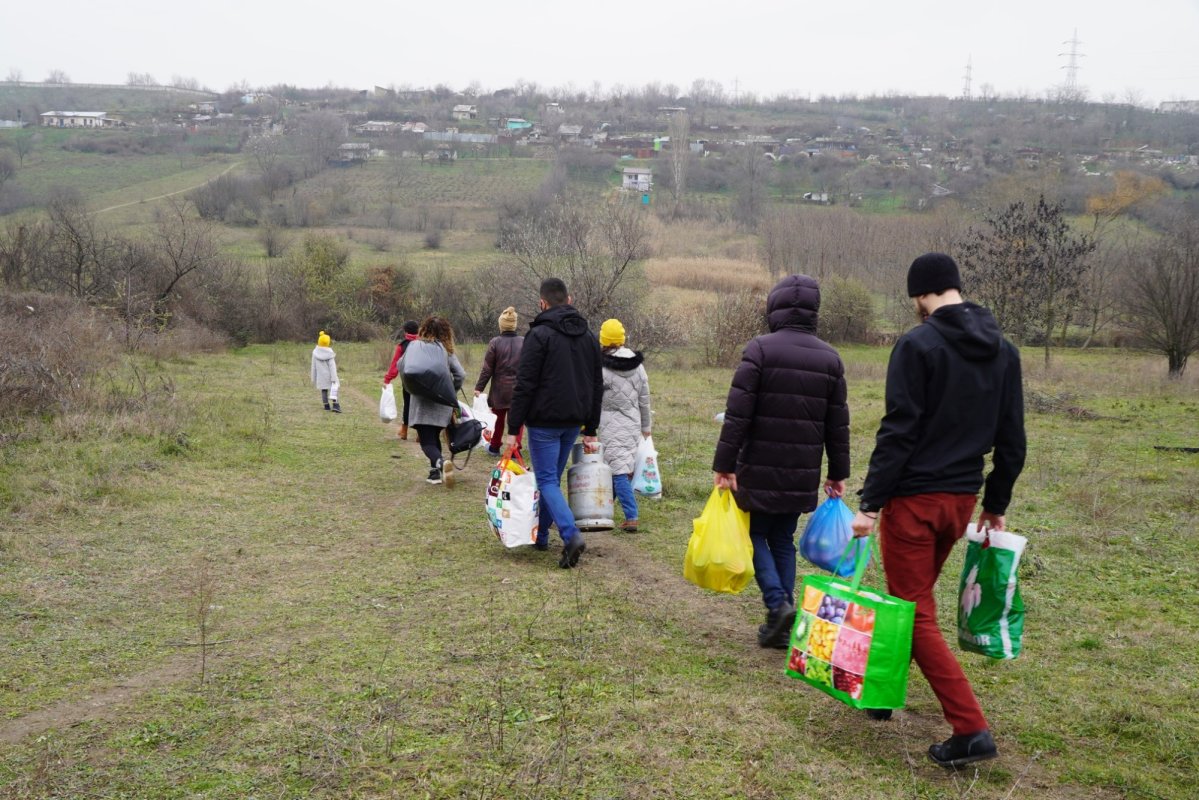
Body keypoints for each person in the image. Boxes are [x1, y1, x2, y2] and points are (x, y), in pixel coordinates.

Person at [850, 252, 1026, 769]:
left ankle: (970, 729)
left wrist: (870, 504)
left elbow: (898, 431)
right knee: (911, 598)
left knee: (914, 609)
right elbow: (1012, 439)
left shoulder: (917, 344)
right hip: (960, 501)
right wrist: (995, 503)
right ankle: (882, 690)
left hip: (914, 501)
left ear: (920, 294)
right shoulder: (1005, 350)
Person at [712, 275, 850, 649]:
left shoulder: (759, 349)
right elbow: (838, 424)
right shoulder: (830, 358)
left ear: (774, 308)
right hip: (802, 470)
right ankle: (783, 620)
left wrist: (725, 464)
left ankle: (777, 604)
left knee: (755, 534)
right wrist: (838, 472)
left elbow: (737, 415)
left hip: (757, 466)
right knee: (782, 539)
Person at [504, 278, 603, 569]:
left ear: (542, 303)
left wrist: (513, 429)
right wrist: (591, 428)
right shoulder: (588, 336)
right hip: (573, 420)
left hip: (544, 422)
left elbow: (524, 384)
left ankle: (571, 535)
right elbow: (597, 384)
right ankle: (541, 536)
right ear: (569, 300)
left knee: (547, 480)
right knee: (551, 481)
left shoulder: (538, 335)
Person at [598, 318, 651, 532]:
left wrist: (587, 424)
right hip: (632, 423)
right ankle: (603, 508)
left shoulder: (601, 367)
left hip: (610, 423)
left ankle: (632, 516)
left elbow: (593, 398)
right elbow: (644, 399)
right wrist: (646, 427)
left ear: (603, 340)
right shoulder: (637, 366)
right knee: (617, 466)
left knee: (618, 471)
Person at [400, 316, 465, 487]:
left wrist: (411, 387)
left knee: (427, 442)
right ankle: (434, 473)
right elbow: (460, 374)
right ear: (446, 333)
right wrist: (449, 392)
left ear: (424, 329)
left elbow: (402, 366)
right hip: (442, 405)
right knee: (434, 435)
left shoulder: (415, 348)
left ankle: (440, 463)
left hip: (421, 405)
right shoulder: (446, 352)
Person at [474, 307, 524, 456]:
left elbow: (487, 369)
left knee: (497, 419)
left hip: (499, 390)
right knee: (517, 420)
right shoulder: (524, 342)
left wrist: (479, 387)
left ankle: (495, 447)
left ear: (501, 325)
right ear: (514, 324)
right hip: (518, 390)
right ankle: (515, 451)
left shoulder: (495, 342)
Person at [383, 320, 420, 440]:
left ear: (405, 332)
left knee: (407, 404)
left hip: (408, 381)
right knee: (420, 405)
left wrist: (388, 379)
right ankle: (420, 434)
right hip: (423, 381)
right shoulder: (423, 344)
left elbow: (395, 365)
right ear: (418, 331)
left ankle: (404, 431)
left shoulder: (402, 346)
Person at [310, 330, 341, 413]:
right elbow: (332, 367)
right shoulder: (330, 353)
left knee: (324, 391)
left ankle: (326, 406)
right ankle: (335, 405)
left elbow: (313, 367)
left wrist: (313, 378)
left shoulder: (315, 353)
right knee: (334, 390)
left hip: (321, 376)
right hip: (330, 376)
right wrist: (334, 378)